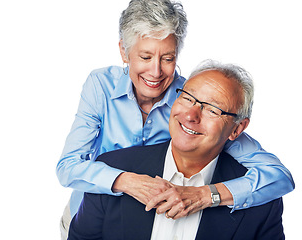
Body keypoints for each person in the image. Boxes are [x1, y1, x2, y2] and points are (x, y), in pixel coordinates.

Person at [56, 0, 294, 238]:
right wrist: (126, 180)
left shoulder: (190, 103)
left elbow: (277, 175)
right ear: (123, 51)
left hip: (163, 217)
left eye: (168, 59)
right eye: (145, 57)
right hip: (92, 210)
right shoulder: (100, 85)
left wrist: (207, 194)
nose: (156, 71)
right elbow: (68, 167)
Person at [68, 60, 286, 240]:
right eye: (188, 98)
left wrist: (206, 195)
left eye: (212, 109)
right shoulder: (114, 170)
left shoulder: (261, 197)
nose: (191, 115)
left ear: (237, 128)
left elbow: (281, 176)